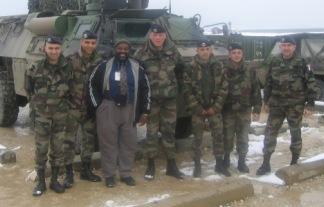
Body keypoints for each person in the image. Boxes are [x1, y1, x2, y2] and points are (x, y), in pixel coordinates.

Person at [88, 39, 150, 187]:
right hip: (109, 108)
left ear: (129, 50)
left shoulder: (137, 68)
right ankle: (109, 175)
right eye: (120, 48)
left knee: (129, 143)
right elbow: (92, 85)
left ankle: (126, 173)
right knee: (108, 144)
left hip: (129, 108)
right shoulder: (104, 66)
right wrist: (98, 106)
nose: (122, 51)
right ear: (114, 49)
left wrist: (145, 111)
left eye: (126, 49)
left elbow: (145, 89)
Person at [256, 36, 316, 176]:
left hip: (295, 106)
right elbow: (269, 81)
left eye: (289, 45)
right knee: (270, 133)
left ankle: (294, 162)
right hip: (276, 105)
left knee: (295, 133)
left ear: (294, 47)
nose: (286, 48)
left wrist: (310, 103)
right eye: (284, 45)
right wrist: (266, 101)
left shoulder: (302, 62)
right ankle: (265, 164)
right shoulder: (275, 61)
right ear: (280, 47)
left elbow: (311, 82)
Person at [134, 24, 186, 180]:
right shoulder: (141, 53)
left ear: (165, 36)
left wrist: (177, 88)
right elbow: (136, 77)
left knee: (169, 131)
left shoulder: (173, 51)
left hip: (169, 99)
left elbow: (181, 70)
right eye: (155, 35)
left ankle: (171, 165)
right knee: (151, 132)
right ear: (150, 36)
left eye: (161, 35)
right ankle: (151, 165)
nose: (158, 38)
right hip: (151, 100)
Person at [25, 35, 72, 196]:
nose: (53, 51)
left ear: (61, 49)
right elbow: (29, 89)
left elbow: (72, 89)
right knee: (41, 148)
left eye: (56, 48)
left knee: (58, 148)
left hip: (60, 114)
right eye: (50, 48)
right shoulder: (35, 68)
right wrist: (37, 106)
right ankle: (40, 182)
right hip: (41, 116)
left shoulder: (68, 67)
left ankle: (54, 181)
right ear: (45, 48)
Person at [62, 30, 103, 189]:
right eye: (87, 42)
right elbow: (63, 82)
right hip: (72, 107)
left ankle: (86, 170)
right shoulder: (71, 60)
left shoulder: (100, 61)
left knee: (89, 139)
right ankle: (68, 173)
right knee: (69, 141)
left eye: (93, 43)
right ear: (81, 42)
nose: (90, 46)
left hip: (90, 108)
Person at [188, 39, 229, 177]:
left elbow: (224, 87)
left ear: (211, 50)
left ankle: (219, 164)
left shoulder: (219, 66)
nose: (204, 52)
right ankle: (197, 165)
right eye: (201, 49)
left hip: (214, 108)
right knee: (197, 138)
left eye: (207, 49)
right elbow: (186, 90)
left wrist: (216, 107)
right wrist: (197, 107)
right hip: (197, 108)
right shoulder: (191, 66)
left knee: (218, 136)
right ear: (197, 50)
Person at [223, 43, 262, 173]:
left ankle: (241, 161)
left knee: (243, 137)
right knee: (227, 137)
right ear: (229, 54)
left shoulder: (249, 69)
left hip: (244, 109)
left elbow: (256, 89)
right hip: (227, 110)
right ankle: (226, 159)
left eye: (239, 52)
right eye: (234, 53)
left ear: (242, 54)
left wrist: (257, 108)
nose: (236, 55)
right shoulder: (223, 69)